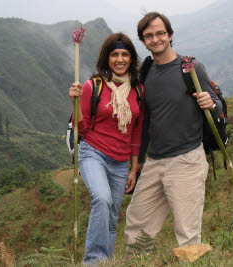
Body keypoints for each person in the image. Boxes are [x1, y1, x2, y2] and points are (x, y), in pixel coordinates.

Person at [124, 12, 223, 252]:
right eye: (149, 36)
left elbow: (218, 104)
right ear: (143, 41)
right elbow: (145, 120)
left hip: (186, 159)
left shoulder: (191, 68)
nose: (155, 39)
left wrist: (211, 103)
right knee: (137, 222)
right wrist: (138, 162)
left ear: (170, 35)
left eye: (160, 33)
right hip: (154, 162)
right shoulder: (145, 73)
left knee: (187, 232)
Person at [69, 32, 143, 264]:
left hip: (121, 162)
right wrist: (76, 102)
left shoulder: (138, 91)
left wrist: (133, 169)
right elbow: (81, 127)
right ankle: (92, 261)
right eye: (114, 54)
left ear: (131, 58)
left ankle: (106, 261)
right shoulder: (94, 86)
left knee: (111, 217)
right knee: (101, 200)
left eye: (124, 54)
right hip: (93, 153)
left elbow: (135, 133)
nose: (119, 59)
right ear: (106, 58)